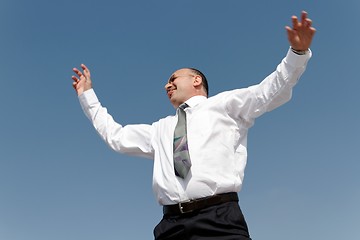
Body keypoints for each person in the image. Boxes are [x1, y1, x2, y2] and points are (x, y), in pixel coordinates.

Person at [71, 11, 316, 240]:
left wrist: (297, 53)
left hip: (219, 220)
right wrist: (87, 96)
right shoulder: (160, 129)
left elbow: (269, 92)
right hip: (171, 226)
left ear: (196, 80)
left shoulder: (225, 106)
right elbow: (116, 136)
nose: (167, 86)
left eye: (173, 79)